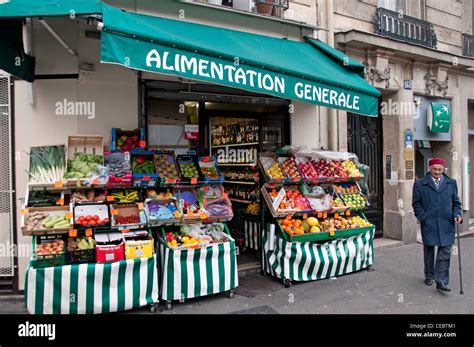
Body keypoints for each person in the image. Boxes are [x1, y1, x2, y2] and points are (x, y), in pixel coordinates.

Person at [412, 158, 463, 292]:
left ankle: (441, 281)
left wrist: (457, 214)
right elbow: (416, 204)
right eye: (434, 169)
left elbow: (456, 203)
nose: (437, 172)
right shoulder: (420, 184)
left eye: (440, 169)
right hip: (429, 223)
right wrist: (423, 218)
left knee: (445, 252)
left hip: (447, 223)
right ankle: (429, 275)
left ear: (443, 169)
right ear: (430, 168)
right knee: (429, 250)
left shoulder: (451, 183)